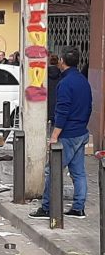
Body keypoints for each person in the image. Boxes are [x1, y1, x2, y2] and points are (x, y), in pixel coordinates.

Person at [29, 46, 92, 220]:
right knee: (78, 172)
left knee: (53, 169)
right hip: (81, 132)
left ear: (62, 61)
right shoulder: (83, 80)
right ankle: (78, 207)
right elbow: (89, 106)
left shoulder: (65, 84)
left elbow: (62, 112)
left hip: (67, 134)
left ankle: (48, 207)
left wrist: (54, 135)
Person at [47, 54, 61, 123]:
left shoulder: (44, 77)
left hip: (46, 110)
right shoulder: (62, 76)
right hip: (58, 110)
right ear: (58, 63)